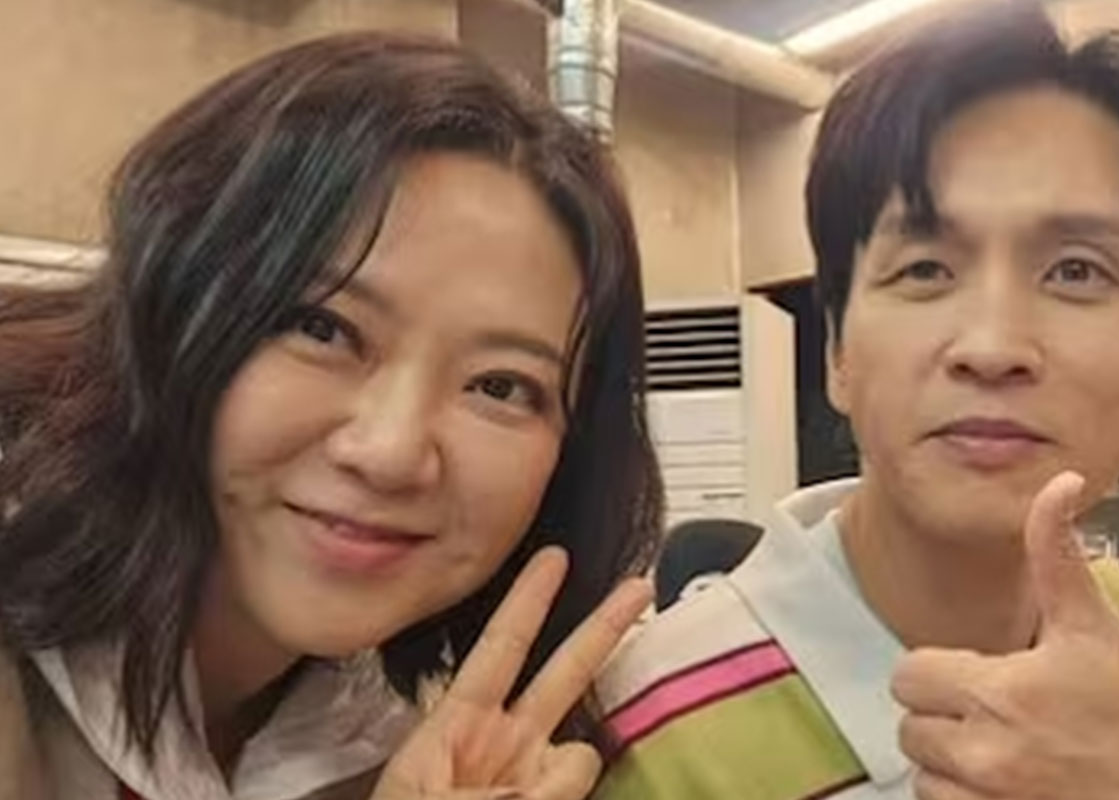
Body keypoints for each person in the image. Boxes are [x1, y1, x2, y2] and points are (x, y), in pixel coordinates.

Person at [0, 32, 663, 800]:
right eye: (322, 328)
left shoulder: (393, 748)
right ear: (173, 309)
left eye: (500, 386)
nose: (391, 452)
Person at [595, 4, 1119, 800]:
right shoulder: (642, 738)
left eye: (1077, 271)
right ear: (836, 352)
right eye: (924, 270)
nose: (991, 346)